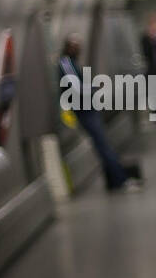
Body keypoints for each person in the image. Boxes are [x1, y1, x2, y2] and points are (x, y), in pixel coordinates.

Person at [57, 34, 141, 192]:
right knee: (103, 146)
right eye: (75, 46)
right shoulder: (66, 63)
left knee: (104, 145)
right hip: (84, 111)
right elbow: (77, 87)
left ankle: (114, 180)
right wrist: (95, 88)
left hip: (88, 109)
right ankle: (119, 180)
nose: (78, 49)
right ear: (68, 47)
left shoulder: (71, 62)